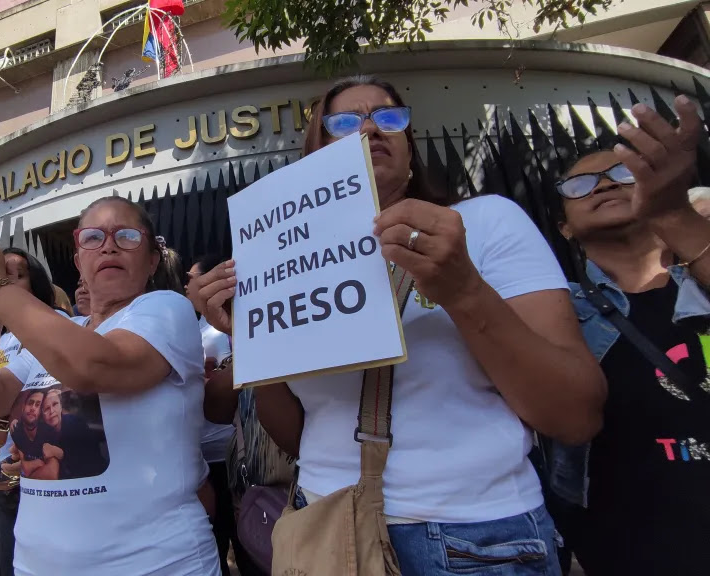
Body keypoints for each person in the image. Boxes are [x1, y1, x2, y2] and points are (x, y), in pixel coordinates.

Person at [191, 75, 607, 575]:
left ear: (409, 145)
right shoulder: (284, 264)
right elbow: (299, 438)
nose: (370, 127)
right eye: (344, 122)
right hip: (324, 524)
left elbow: (574, 414)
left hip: (472, 537)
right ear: (317, 154)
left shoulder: (486, 221)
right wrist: (251, 338)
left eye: (388, 116)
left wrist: (463, 288)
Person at [0, 196, 220, 575]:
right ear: (78, 260)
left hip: (156, 563)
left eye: (126, 236)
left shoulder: (165, 308)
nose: (108, 245)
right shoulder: (61, 331)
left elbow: (94, 365)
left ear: (152, 260)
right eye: (92, 237)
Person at [548, 95, 710, 576]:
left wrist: (675, 215)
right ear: (565, 229)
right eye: (580, 185)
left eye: (619, 174)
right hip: (633, 549)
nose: (600, 186)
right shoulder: (561, 311)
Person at [0, 246, 57, 576]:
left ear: (36, 287)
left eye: (17, 274)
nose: (4, 280)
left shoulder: (54, 326)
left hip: (29, 475)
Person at [186, 253, 253, 575]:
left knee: (251, 541)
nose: (189, 285)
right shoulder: (192, 330)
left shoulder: (222, 330)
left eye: (194, 278)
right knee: (217, 541)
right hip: (207, 461)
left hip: (243, 456)